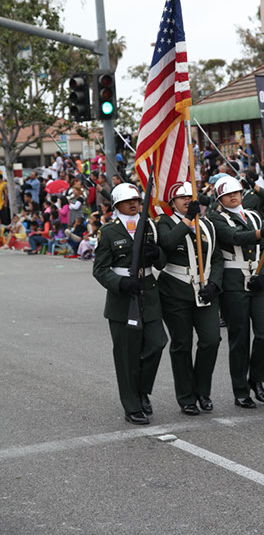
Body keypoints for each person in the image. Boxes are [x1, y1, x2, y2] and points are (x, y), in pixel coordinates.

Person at [93, 183, 168, 424]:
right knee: (127, 355)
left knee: (157, 343)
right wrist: (121, 283)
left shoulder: (149, 225)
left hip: (149, 292)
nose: (134, 204)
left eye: (136, 199)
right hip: (123, 298)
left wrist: (156, 254)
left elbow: (161, 261)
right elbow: (100, 270)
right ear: (117, 205)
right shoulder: (108, 232)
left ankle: (142, 389)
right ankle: (132, 405)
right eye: (128, 201)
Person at [209, 175, 264, 408]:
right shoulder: (216, 218)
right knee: (239, 338)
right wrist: (261, 234)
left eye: (237, 192)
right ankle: (240, 390)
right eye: (228, 194)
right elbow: (234, 237)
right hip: (233, 281)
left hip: (259, 279)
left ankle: (256, 378)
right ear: (220, 198)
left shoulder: (254, 215)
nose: (234, 196)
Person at [156, 182, 223, 415]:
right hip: (175, 290)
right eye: (181, 197)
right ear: (172, 202)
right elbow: (167, 243)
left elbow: (216, 258)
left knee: (211, 339)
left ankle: (202, 390)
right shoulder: (165, 222)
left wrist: (214, 283)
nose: (186, 200)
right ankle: (186, 397)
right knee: (182, 344)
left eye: (190, 197)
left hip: (204, 291)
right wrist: (187, 220)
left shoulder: (207, 225)